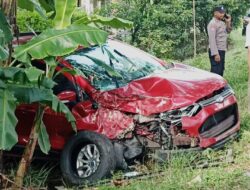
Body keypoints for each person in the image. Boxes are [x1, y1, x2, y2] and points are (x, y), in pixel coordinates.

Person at [207, 6, 232, 76]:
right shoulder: (212, 23)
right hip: (216, 51)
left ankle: (219, 86)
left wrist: (228, 22)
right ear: (215, 13)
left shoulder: (222, 22)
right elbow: (212, 40)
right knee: (216, 71)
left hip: (222, 50)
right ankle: (213, 86)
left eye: (223, 12)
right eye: (221, 13)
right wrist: (216, 54)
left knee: (220, 70)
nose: (223, 14)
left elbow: (228, 31)